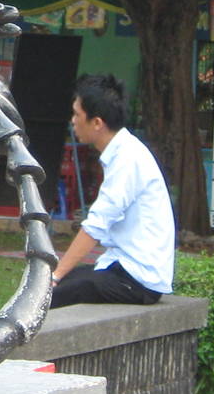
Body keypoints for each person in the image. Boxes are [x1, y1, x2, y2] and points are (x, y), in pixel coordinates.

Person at [50, 74, 175, 308]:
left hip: (138, 280)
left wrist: (55, 276)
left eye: (77, 115)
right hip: (122, 268)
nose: (73, 121)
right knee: (63, 283)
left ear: (97, 123)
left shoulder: (127, 159)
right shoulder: (123, 152)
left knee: (54, 294)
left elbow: (96, 226)